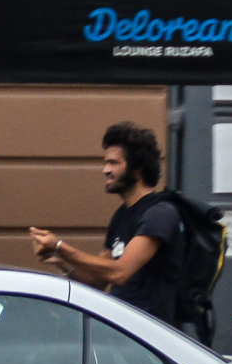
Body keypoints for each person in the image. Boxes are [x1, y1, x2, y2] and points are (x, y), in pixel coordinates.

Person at [29, 121, 182, 324]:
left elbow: (120, 273)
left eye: (113, 163)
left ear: (137, 168)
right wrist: (60, 261)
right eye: (106, 163)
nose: (105, 170)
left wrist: (60, 246)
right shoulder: (121, 215)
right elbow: (97, 282)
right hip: (125, 331)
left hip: (154, 337)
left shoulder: (160, 213)